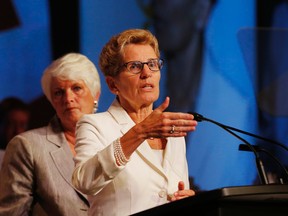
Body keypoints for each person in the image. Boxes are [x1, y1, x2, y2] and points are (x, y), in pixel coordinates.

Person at [72, 29, 198, 215]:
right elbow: (84, 181)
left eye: (152, 64)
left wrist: (185, 201)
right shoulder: (94, 125)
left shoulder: (171, 132)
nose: (146, 73)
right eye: (134, 66)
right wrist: (140, 132)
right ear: (113, 84)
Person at [0, 53, 101, 215]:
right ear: (51, 101)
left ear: (96, 94)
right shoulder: (27, 146)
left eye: (76, 88)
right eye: (59, 92)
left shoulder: (117, 139)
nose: (68, 98)